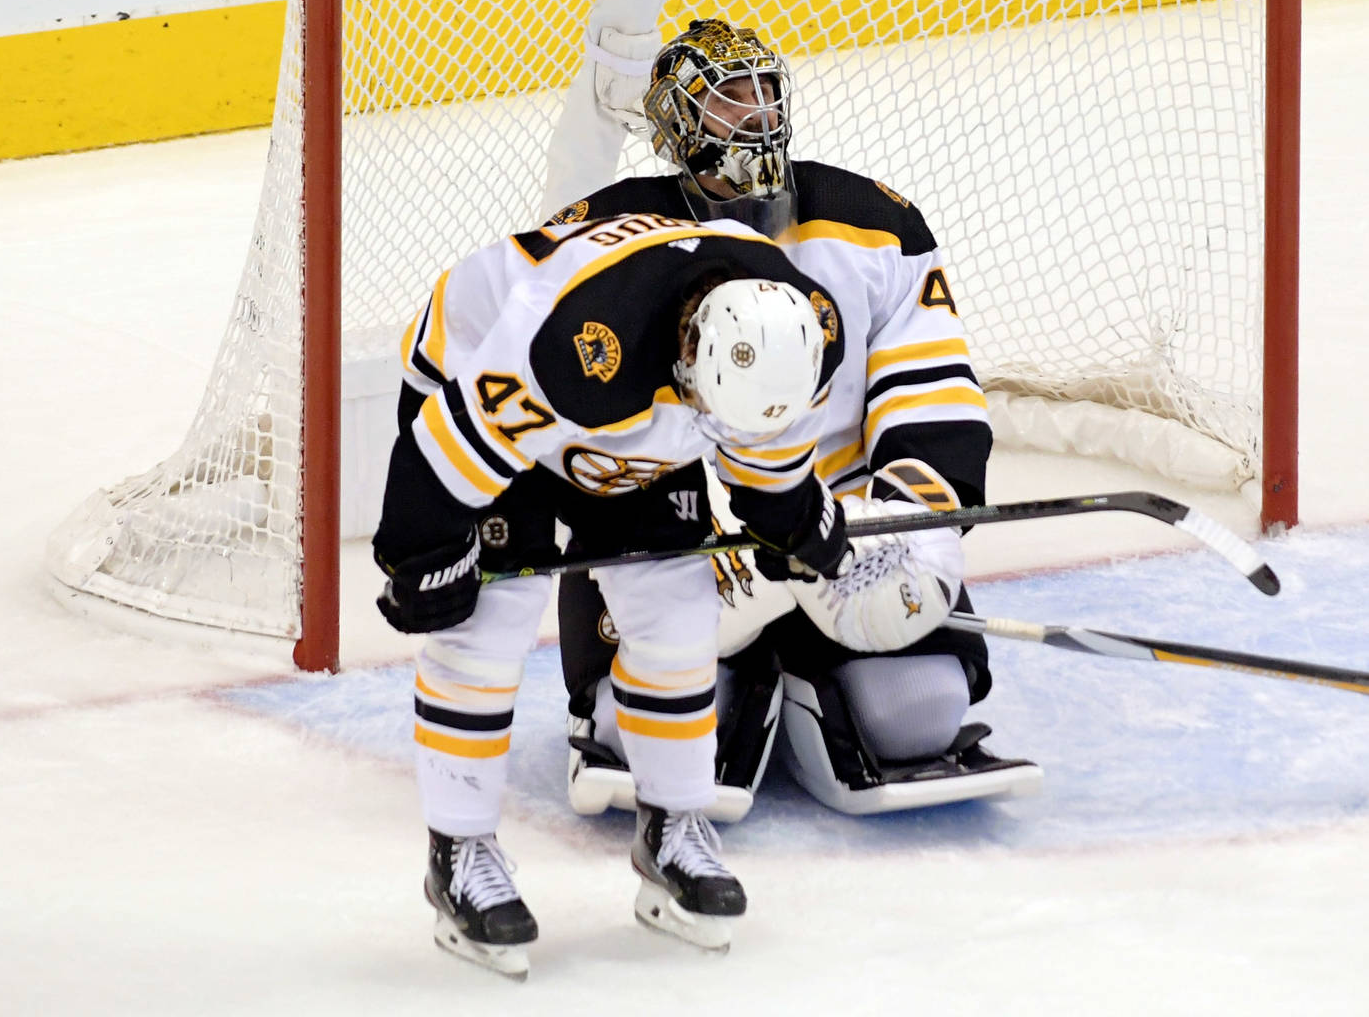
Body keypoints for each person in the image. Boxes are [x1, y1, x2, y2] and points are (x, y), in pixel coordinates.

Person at [372, 210, 949, 974]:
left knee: (679, 620)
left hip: (638, 419)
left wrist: (808, 531)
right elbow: (435, 468)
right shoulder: (572, 348)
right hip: (476, 384)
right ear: (690, 351)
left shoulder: (799, 335)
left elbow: (769, 480)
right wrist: (419, 562)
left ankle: (674, 829)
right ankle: (459, 851)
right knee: (483, 630)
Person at [543, 0, 1042, 822]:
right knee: (657, 729)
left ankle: (822, 676)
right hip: (682, 547)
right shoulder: (607, 240)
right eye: (727, 101)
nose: (755, 116)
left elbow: (934, 397)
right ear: (677, 131)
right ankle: (737, 672)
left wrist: (909, 528)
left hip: (842, 533)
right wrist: (688, 547)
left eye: (764, 94)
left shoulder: (876, 226)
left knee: (916, 712)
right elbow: (573, 428)